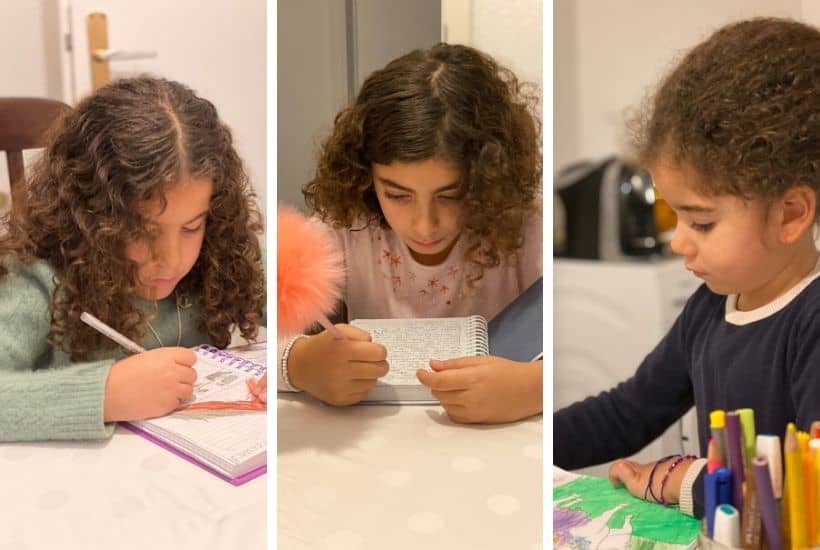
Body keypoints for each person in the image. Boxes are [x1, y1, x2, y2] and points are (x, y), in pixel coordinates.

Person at [554, 17, 820, 518]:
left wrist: (685, 481)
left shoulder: (812, 325)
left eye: (700, 222)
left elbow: (810, 497)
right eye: (675, 216)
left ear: (790, 214)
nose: (679, 242)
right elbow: (629, 411)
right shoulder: (711, 307)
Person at [278, 43, 543, 424]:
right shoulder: (345, 226)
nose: (424, 225)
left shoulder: (527, 226)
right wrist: (301, 363)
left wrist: (532, 386)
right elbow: (254, 337)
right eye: (398, 195)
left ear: (489, 178)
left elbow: (584, 347)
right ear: (365, 175)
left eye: (451, 195)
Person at [0, 77, 266, 442]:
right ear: (93, 216)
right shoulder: (38, 278)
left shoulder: (221, 250)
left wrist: (302, 355)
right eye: (142, 231)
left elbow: (298, 298)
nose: (171, 261)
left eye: (191, 227)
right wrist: (103, 395)